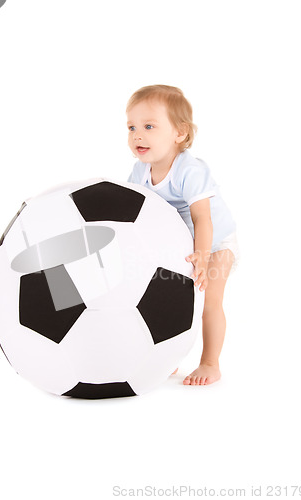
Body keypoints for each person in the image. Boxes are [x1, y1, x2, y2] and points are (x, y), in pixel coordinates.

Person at [126, 85, 240, 386]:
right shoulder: (140, 171)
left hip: (215, 243)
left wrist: (203, 257)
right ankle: (165, 360)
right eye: (132, 127)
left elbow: (203, 219)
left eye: (149, 126)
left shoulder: (190, 171)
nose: (138, 134)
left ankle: (210, 363)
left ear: (179, 133)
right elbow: (133, 213)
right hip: (179, 245)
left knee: (209, 302)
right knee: (164, 301)